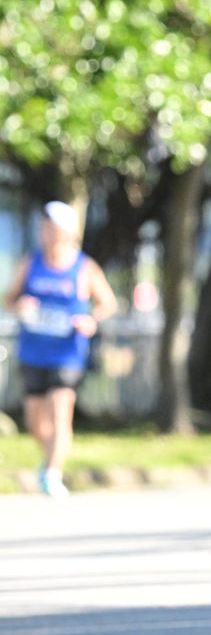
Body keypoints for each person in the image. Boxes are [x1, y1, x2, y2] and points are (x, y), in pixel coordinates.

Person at [4, 200, 117, 497]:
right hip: (33, 351)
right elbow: (9, 299)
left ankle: (52, 473)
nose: (47, 232)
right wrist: (19, 304)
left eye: (52, 227)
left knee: (60, 411)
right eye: (44, 227)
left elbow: (107, 302)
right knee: (34, 423)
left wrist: (90, 320)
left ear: (68, 232)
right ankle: (50, 459)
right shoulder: (30, 262)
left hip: (67, 354)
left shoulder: (84, 267)